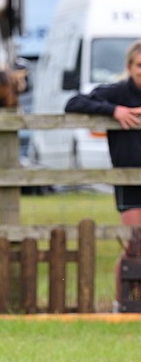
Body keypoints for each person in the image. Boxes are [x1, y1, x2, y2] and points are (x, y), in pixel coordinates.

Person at [65, 39, 141, 307]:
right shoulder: (117, 92)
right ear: (129, 67)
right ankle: (122, 301)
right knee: (134, 244)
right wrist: (113, 111)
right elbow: (74, 102)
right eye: (139, 65)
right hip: (128, 179)